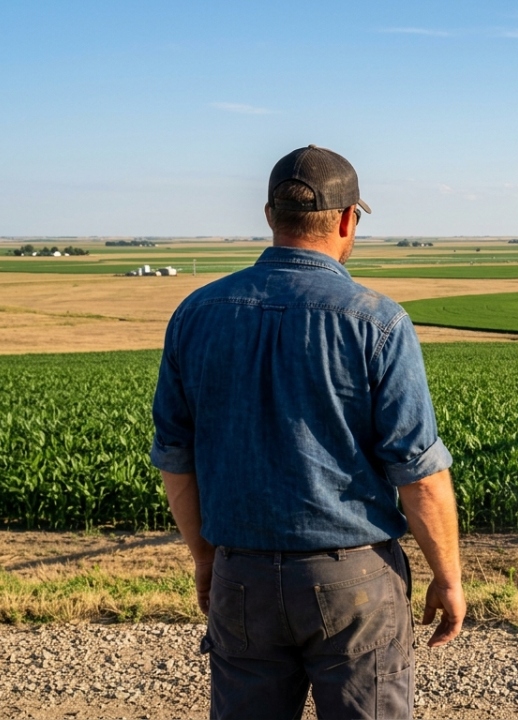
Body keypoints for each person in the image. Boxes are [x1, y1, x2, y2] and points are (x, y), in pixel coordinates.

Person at [150, 145, 464, 719]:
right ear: (347, 220)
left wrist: (206, 558)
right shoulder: (377, 320)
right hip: (354, 579)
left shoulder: (196, 313)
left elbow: (176, 456)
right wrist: (447, 578)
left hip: (240, 573)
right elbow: (418, 474)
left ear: (270, 215)